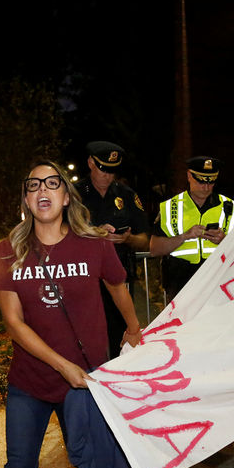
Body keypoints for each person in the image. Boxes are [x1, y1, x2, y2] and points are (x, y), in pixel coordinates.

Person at [0, 160, 151, 468]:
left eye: (52, 183)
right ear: (26, 200)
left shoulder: (94, 244)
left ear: (65, 196)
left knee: (103, 459)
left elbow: (118, 287)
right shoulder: (8, 250)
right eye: (33, 185)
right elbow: (14, 322)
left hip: (89, 381)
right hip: (31, 384)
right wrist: (62, 366)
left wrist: (134, 327)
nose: (43, 190)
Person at [75, 140, 149, 360]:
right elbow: (60, 234)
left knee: (120, 337)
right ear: (90, 163)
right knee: (85, 337)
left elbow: (144, 239)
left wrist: (128, 238)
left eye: (112, 171)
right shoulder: (74, 194)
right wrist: (93, 233)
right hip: (84, 277)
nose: (107, 176)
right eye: (102, 169)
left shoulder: (126, 195)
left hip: (119, 277)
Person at [149, 156, 234, 302]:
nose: (206, 187)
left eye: (210, 182)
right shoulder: (170, 207)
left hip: (219, 285)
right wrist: (184, 236)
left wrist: (225, 240)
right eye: (200, 181)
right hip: (180, 286)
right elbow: (154, 249)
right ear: (189, 176)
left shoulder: (232, 208)